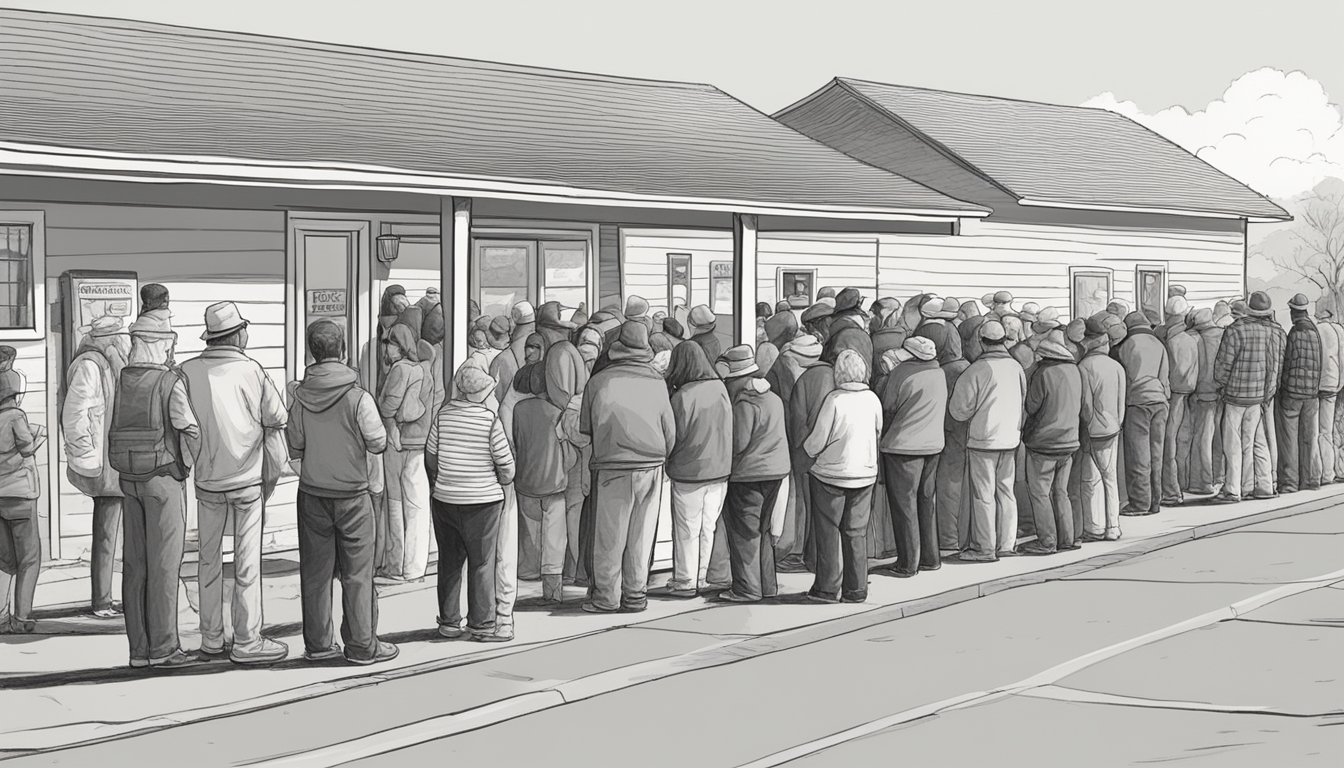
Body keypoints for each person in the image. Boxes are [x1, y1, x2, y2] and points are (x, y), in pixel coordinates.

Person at [180, 302, 289, 664]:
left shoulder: (187, 371)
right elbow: (276, 416)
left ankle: (212, 639)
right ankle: (246, 641)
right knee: (246, 563)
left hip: (207, 480)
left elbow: (183, 426)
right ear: (237, 334)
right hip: (247, 480)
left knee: (208, 562)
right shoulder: (252, 370)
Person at [288, 321, 395, 664]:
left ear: (311, 352)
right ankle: (362, 645)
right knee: (358, 573)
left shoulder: (300, 398)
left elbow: (295, 444)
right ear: (344, 350)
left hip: (312, 494)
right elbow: (378, 441)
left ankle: (319, 645)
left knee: (316, 573)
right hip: (352, 494)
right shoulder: (358, 397)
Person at [109, 312, 200, 668]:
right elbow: (188, 428)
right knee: (164, 565)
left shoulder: (124, 379)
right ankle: (164, 648)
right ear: (161, 344)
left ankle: (138, 650)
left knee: (135, 566)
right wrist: (188, 466)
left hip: (128, 477)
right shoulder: (169, 382)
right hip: (163, 478)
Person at [579, 322, 675, 613]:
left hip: (612, 464)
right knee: (641, 535)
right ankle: (635, 595)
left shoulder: (599, 381)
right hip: (652, 464)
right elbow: (670, 431)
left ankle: (606, 597)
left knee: (610, 535)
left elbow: (586, 429)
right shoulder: (657, 382)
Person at [425, 364, 516, 642]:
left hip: (445, 499)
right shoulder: (489, 420)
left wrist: (441, 481)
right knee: (482, 563)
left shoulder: (442, 416)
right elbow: (507, 467)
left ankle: (450, 622)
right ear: (481, 392)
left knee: (450, 562)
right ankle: (482, 623)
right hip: (483, 502)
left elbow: (430, 457)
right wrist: (499, 480)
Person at [61, 314, 129, 619]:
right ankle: (102, 600)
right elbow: (75, 415)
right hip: (104, 466)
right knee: (105, 534)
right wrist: (87, 458)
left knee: (122, 534)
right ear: (109, 339)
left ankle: (120, 597)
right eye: (118, 337)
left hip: (118, 462)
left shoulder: (109, 364)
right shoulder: (91, 365)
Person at [803, 348, 880, 601]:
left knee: (828, 532)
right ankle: (856, 589)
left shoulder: (834, 400)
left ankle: (827, 588)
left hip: (830, 475)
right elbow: (878, 431)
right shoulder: (873, 400)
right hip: (864, 474)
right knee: (856, 532)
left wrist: (807, 449)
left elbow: (816, 442)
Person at [659, 342, 732, 598]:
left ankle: (685, 580)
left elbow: (673, 436)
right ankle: (702, 576)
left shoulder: (682, 397)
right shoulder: (720, 389)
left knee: (686, 529)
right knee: (707, 527)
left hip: (689, 471)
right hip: (719, 470)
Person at [949, 320, 1026, 562]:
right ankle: (1006, 544)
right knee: (1006, 492)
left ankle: (984, 547)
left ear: (981, 341)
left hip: (983, 439)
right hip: (1011, 437)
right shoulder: (1016, 367)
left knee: (983, 495)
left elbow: (958, 410)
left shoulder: (977, 370)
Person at [878, 337, 945, 576]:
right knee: (926, 502)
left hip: (903, 447)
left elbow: (888, 405)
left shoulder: (902, 373)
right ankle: (930, 557)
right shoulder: (939, 372)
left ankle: (907, 563)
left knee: (904, 506)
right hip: (933, 445)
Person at [1017, 331, 1082, 555]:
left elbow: (1031, 406)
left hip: (1044, 443)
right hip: (1069, 440)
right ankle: (1068, 539)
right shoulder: (1074, 370)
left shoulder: (1043, 374)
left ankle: (1047, 541)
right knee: (1061, 492)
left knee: (1040, 493)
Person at [1211, 291, 1279, 503]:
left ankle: (1233, 489)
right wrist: (1268, 393)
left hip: (1235, 395)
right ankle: (1255, 486)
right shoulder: (1272, 332)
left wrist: (1221, 384)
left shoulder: (1235, 330)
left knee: (1233, 444)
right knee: (1252, 443)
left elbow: (1223, 364)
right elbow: (1274, 367)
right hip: (1258, 396)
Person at [377, 324, 432, 581]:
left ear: (400, 346)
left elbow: (389, 405)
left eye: (389, 342)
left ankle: (395, 564)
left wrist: (380, 405)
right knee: (418, 505)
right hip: (418, 442)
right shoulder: (422, 370)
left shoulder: (399, 369)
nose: (385, 347)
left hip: (397, 441)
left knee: (396, 504)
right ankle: (415, 566)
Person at [511, 365, 569, 604]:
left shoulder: (519, 409)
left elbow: (517, 440)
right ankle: (552, 585)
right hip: (554, 480)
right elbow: (566, 446)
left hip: (526, 477)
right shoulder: (556, 412)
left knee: (530, 532)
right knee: (554, 535)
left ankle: (527, 572)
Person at [770, 334, 823, 571]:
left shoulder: (791, 371)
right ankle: (801, 550)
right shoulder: (820, 373)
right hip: (813, 448)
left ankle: (796, 550)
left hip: (799, 448)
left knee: (799, 501)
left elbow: (796, 416)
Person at [0, 369, 44, 633]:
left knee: (4, 560)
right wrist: (37, 438)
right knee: (28, 558)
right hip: (20, 493)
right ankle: (23, 617)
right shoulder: (16, 416)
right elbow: (26, 447)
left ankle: (1, 614)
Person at [1115, 312, 1170, 516]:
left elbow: (1125, 380)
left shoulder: (1127, 345)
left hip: (1138, 402)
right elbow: (1165, 378)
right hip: (1160, 402)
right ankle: (1155, 501)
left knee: (1138, 456)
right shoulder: (1159, 344)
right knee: (1157, 454)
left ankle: (1139, 502)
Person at [1077, 315, 1126, 541]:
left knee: (1091, 479)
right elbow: (1121, 402)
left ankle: (1095, 526)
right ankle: (1113, 526)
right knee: (1110, 478)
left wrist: (1086, 427)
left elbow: (1085, 405)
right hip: (1112, 427)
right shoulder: (1116, 367)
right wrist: (1116, 423)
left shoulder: (1084, 367)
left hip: (1093, 429)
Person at [1277, 293, 1322, 493]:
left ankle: (1289, 482)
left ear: (1294, 312)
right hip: (1312, 395)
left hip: (1293, 394)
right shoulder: (1315, 333)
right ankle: (1311, 479)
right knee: (1309, 438)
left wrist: (1284, 386)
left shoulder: (1294, 333)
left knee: (1289, 439)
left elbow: (1287, 363)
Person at [1163, 304, 1200, 505]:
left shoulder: (1172, 341)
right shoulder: (1191, 339)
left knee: (1170, 443)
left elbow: (1171, 372)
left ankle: (1172, 490)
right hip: (1189, 393)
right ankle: (1181, 484)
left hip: (1175, 395)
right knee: (1183, 441)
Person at [1187, 308, 1224, 495]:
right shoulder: (1222, 334)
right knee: (1219, 437)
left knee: (1202, 438)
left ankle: (1202, 482)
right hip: (1221, 392)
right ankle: (1219, 476)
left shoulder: (1193, 338)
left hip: (1202, 393)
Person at [1314, 307, 1341, 487]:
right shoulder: (1339, 330)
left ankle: (1325, 473)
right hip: (1336, 383)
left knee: (1321, 431)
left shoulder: (1317, 330)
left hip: (1320, 385)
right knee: (1334, 429)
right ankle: (1337, 469)